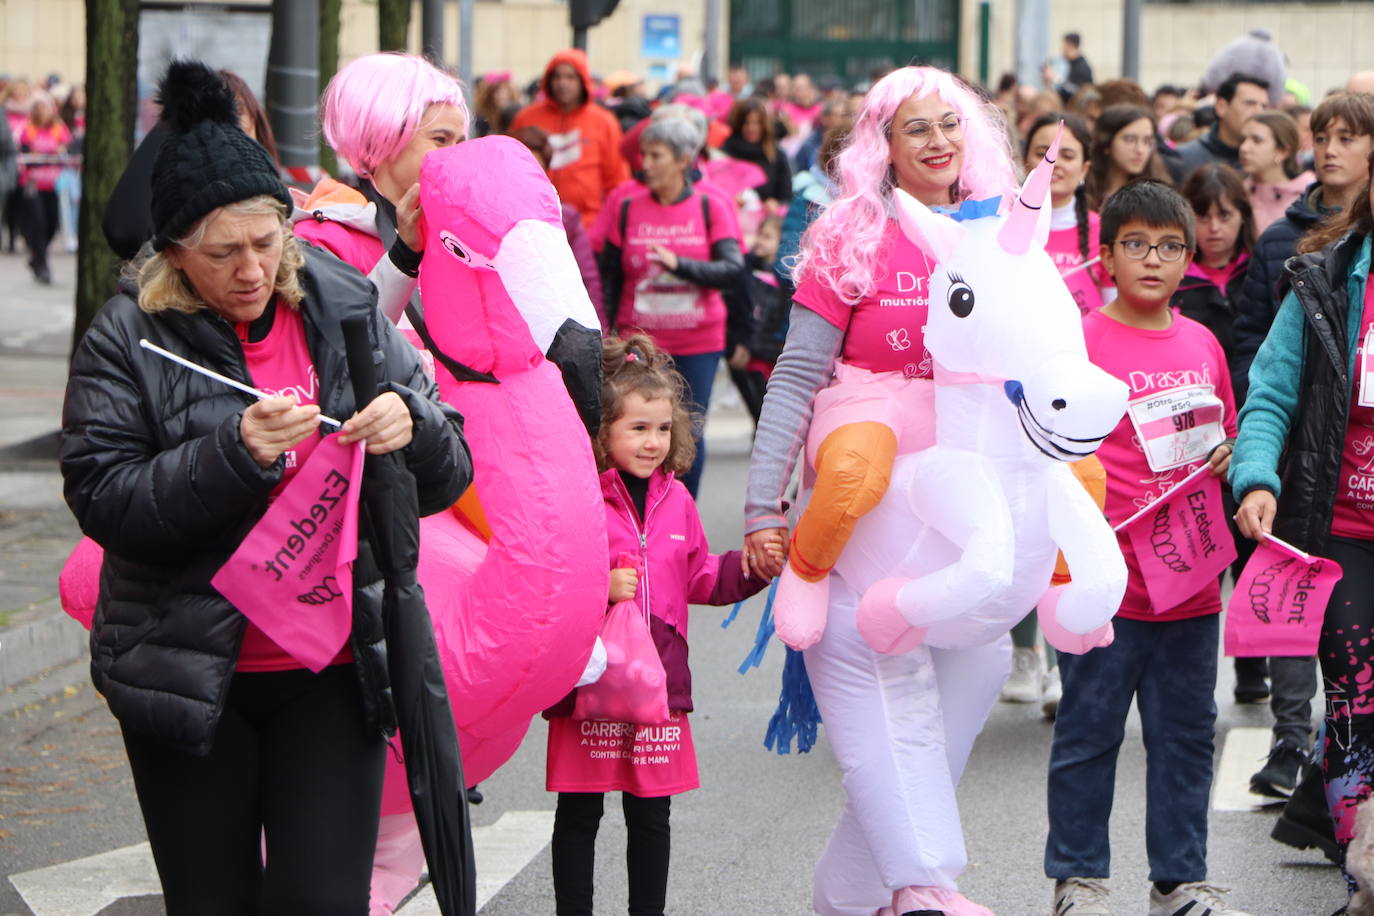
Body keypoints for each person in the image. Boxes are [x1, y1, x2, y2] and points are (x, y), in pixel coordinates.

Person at [59, 60, 471, 914]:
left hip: (329, 667)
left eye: (266, 241)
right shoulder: (127, 334)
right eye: (222, 253)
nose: (251, 269)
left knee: (323, 902)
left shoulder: (340, 300)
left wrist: (411, 427)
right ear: (174, 253)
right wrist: (231, 454)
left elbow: (450, 465)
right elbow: (103, 497)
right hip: (185, 672)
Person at [745, 65, 1019, 916]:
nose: (939, 143)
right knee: (884, 690)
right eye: (917, 130)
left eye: (951, 125)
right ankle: (919, 888)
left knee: (982, 667)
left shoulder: (1001, 232)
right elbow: (794, 377)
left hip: (966, 487)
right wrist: (763, 508)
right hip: (866, 494)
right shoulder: (849, 234)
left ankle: (849, 894)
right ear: (885, 149)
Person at [1046, 180, 1249, 916]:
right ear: (1106, 258)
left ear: (1188, 259)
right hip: (1106, 587)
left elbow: (1220, 427)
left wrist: (1228, 453)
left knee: (1186, 740)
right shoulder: (1082, 343)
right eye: (1135, 245)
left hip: (1192, 587)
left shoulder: (1201, 341)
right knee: (1088, 735)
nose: (1153, 260)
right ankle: (1079, 879)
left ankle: (1178, 882)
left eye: (1169, 247)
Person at [545, 333, 775, 916]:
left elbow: (702, 578)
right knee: (580, 813)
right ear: (603, 432)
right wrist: (599, 591)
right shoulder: (580, 499)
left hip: (658, 693)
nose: (653, 442)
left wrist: (753, 570)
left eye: (663, 429)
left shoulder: (679, 504)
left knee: (651, 818)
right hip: (588, 688)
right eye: (638, 428)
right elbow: (547, 584)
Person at [1231, 154, 1374, 907]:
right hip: (1343, 526)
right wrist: (1257, 477)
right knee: (1355, 693)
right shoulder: (1323, 279)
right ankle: (1363, 868)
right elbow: (1272, 392)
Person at [999, 113, 1114, 714]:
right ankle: (1025, 654)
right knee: (1024, 526)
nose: (1057, 162)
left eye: (1068, 153)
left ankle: (1069, 655)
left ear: (1087, 166)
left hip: (1084, 409)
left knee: (1072, 526)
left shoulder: (1103, 234)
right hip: (1024, 404)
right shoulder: (1007, 228)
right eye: (1044, 150)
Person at [599, 116, 745, 498]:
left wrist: (679, 264)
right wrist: (605, 333)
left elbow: (732, 270)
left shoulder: (712, 205)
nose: (644, 163)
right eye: (644, 155)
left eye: (656, 155)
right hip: (639, 343)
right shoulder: (627, 205)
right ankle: (636, 515)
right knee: (635, 430)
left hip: (697, 342)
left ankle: (681, 519)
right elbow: (608, 276)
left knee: (686, 433)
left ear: (684, 160)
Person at [1232, 92, 1374, 405]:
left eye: (1346, 139)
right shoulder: (1278, 237)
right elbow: (1251, 337)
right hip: (1288, 415)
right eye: (1321, 139)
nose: (1329, 151)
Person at [509, 48, 630, 227]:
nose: (562, 83)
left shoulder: (604, 122)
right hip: (535, 225)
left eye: (570, 77)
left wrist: (603, 227)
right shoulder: (527, 118)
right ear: (548, 80)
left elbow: (616, 179)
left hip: (587, 225)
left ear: (583, 81)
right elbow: (510, 170)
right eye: (557, 77)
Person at [1173, 163, 1255, 362]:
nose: (1214, 228)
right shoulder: (1175, 279)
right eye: (1203, 217)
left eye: (1224, 215)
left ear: (1243, 215)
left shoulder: (1258, 270)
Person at [1168, 73, 1270, 184]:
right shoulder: (1183, 158)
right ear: (1221, 107)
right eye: (1250, 103)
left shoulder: (1270, 161)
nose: (1259, 112)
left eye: (1264, 106)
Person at [15, 90, 71, 284]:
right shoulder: (27, 128)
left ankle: (36, 255)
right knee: (38, 224)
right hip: (33, 184)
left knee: (53, 223)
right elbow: (24, 156)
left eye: (45, 106)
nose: (42, 110)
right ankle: (42, 265)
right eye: (38, 106)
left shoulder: (58, 128)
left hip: (53, 184)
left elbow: (66, 153)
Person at [721, 96, 794, 228]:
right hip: (732, 221)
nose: (751, 128)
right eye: (746, 123)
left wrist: (775, 203)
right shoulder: (726, 152)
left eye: (757, 123)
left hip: (765, 224)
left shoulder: (775, 154)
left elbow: (786, 194)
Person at [1239, 110, 1316, 231]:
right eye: (1243, 139)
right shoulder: (1237, 193)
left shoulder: (1308, 197)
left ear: (1282, 151)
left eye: (1256, 140)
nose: (1244, 148)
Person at [1087, 104, 1171, 210]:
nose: (1140, 150)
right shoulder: (1083, 190)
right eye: (1130, 140)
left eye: (1147, 141)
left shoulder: (1159, 197)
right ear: (1106, 143)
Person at [1047, 32, 1095, 104]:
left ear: (1069, 45)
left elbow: (1078, 91)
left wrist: (1056, 78)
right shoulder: (1067, 64)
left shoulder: (1082, 67)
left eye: (1063, 45)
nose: (1061, 49)